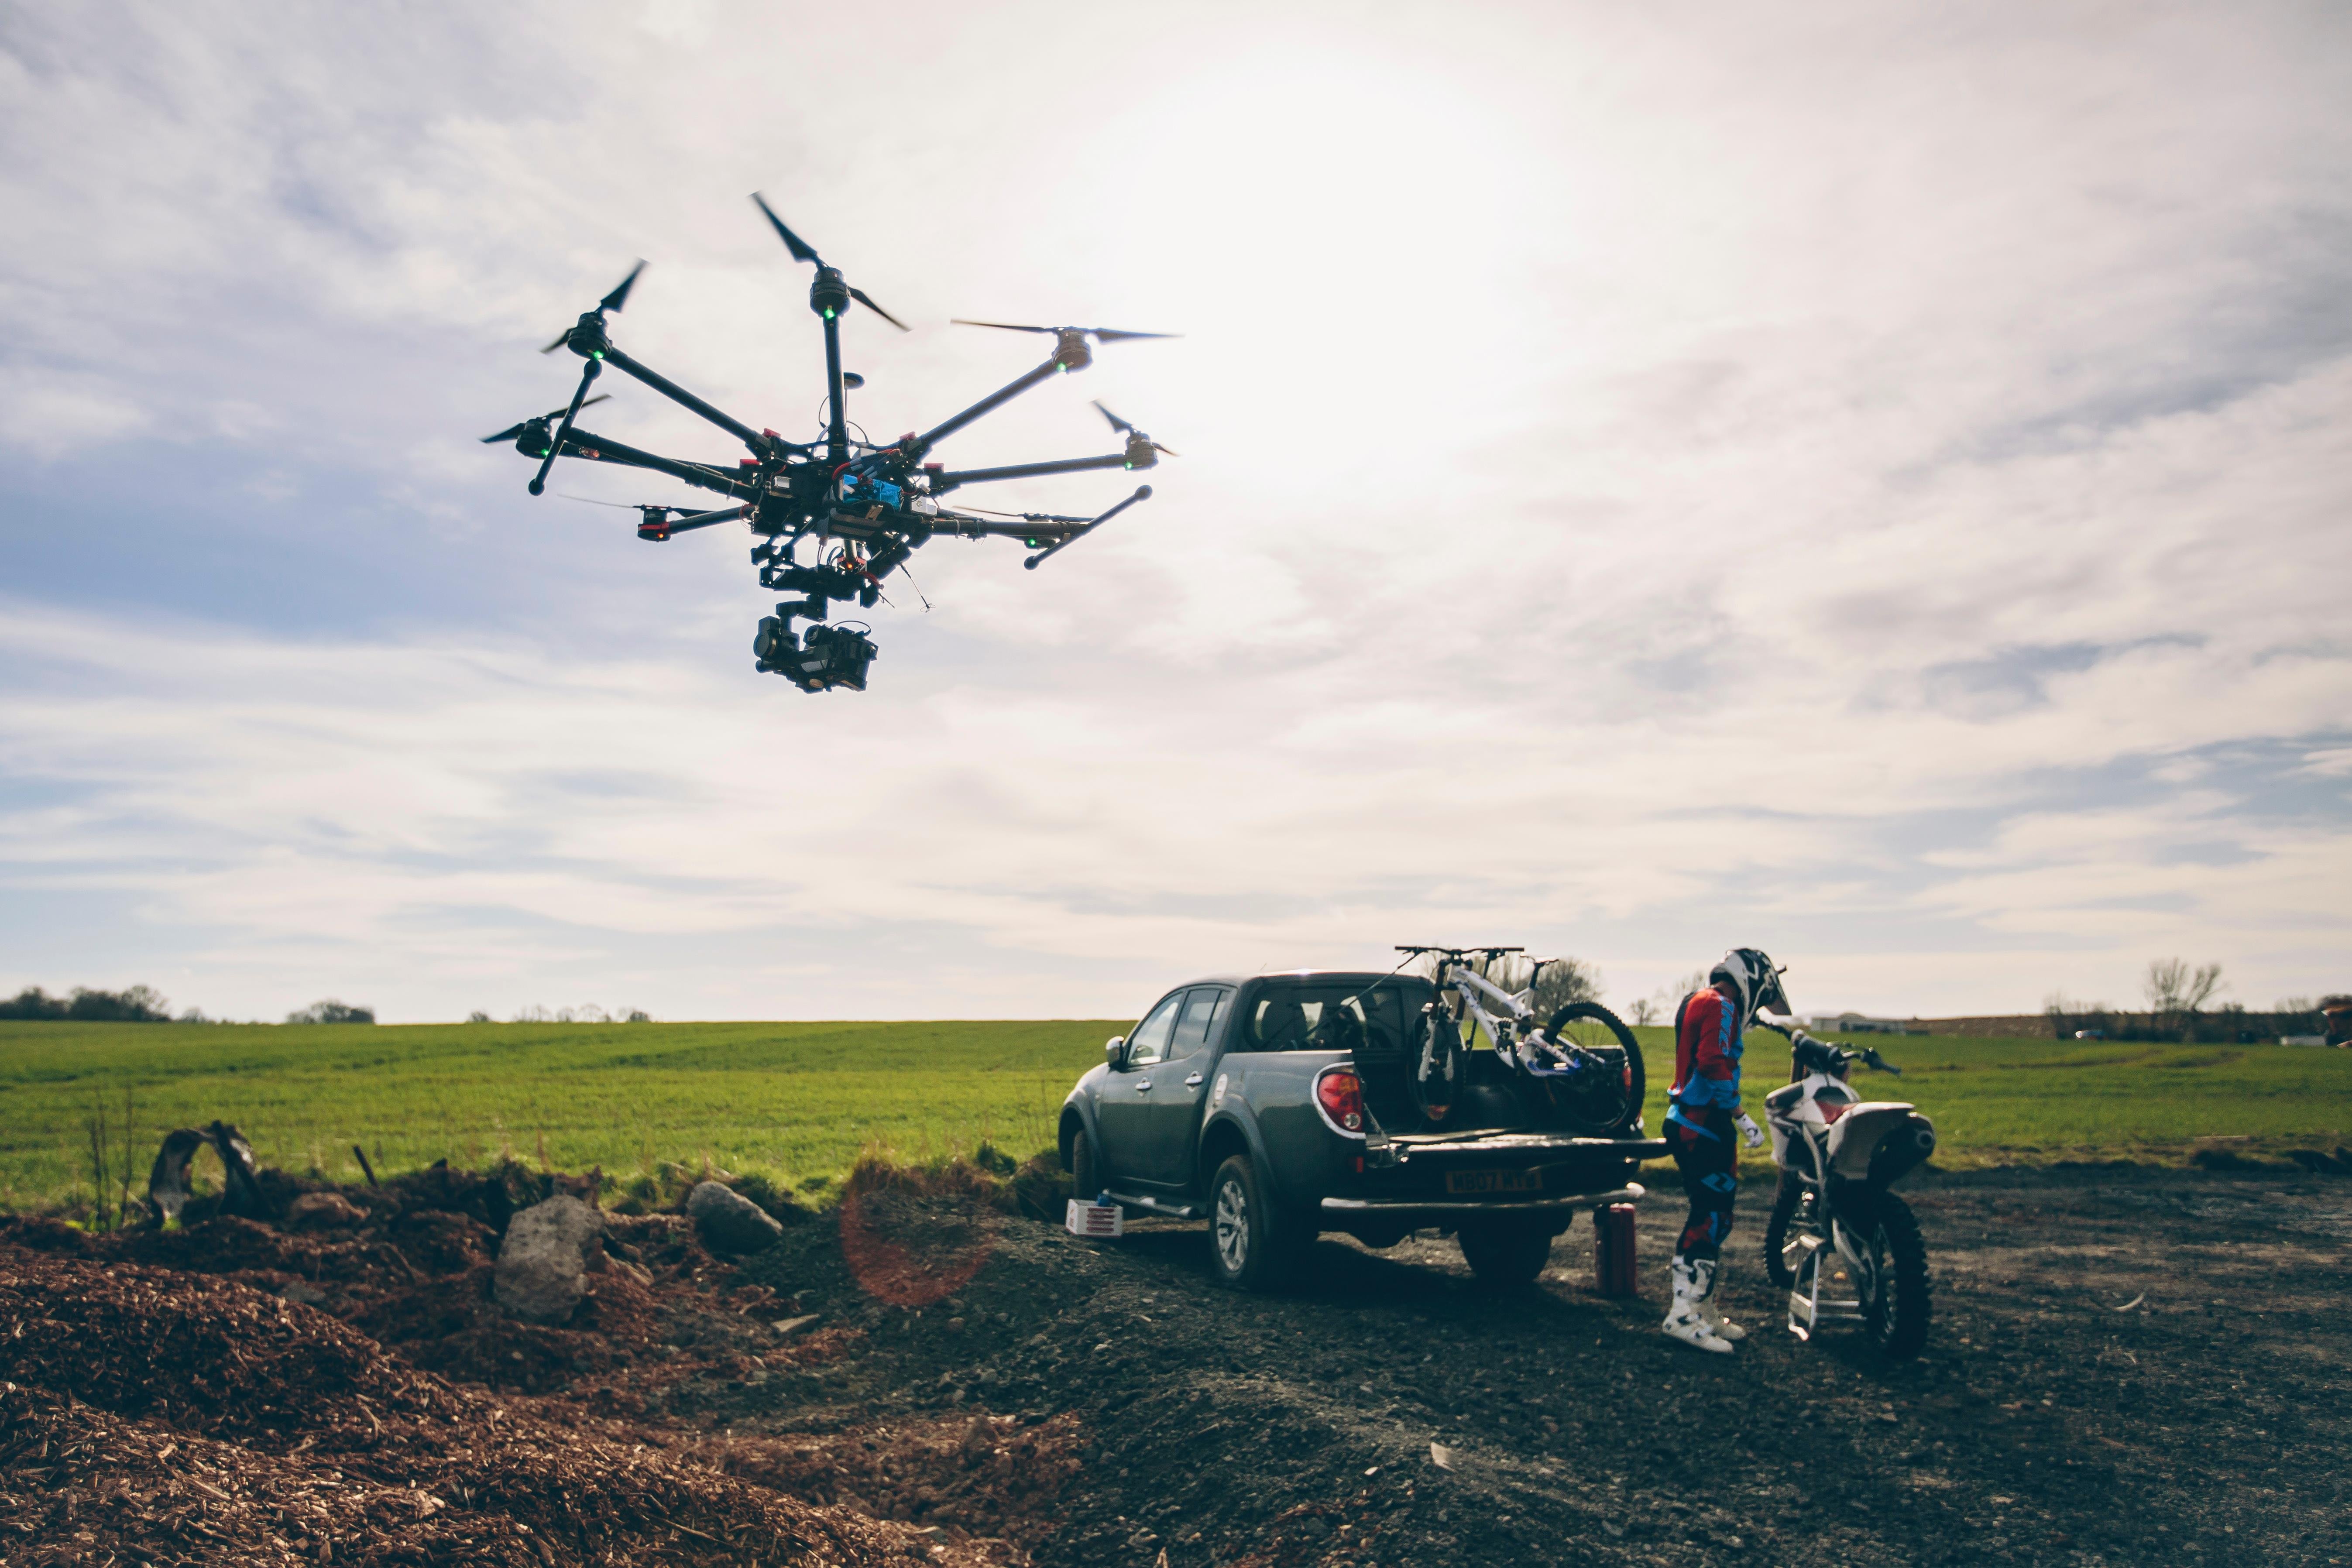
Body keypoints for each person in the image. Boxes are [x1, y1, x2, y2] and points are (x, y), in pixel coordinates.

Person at [1660, 948, 1792, 1353]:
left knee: (1717, 1216)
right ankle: (1682, 1316)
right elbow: (1712, 1063)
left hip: (1693, 1120)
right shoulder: (1721, 1005)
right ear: (1751, 980)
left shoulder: (1697, 999)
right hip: (1702, 1121)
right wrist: (1741, 1114)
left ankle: (1701, 1309)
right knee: (1709, 1215)